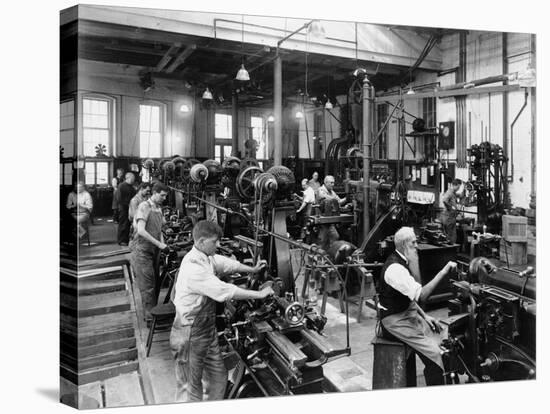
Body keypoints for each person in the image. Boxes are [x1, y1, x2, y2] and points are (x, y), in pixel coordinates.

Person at [170, 221, 274, 402]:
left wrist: (252, 269)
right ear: (202, 241)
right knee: (190, 388)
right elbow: (224, 291)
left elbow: (224, 264)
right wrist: (259, 294)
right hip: (189, 334)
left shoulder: (205, 256)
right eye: (214, 242)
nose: (218, 245)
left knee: (218, 377)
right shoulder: (193, 267)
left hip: (206, 332)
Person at [378, 226, 457, 386]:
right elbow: (421, 296)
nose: (416, 246)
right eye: (414, 243)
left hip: (407, 314)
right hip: (394, 322)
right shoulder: (395, 269)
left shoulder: (403, 261)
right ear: (404, 245)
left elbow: (410, 298)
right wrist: (443, 271)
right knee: (436, 355)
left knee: (442, 338)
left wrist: (425, 316)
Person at [130, 182, 169, 321]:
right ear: (155, 192)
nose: (164, 198)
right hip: (142, 250)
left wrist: (164, 245)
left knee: (154, 282)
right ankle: (149, 317)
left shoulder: (158, 208)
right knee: (148, 285)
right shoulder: (144, 206)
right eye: (162, 195)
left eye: (165, 196)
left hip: (154, 250)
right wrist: (160, 245)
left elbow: (159, 231)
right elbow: (140, 230)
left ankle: (153, 312)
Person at [316, 175, 347, 249]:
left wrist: (347, 198)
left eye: (333, 183)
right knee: (323, 240)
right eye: (331, 183)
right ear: (326, 183)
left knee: (334, 237)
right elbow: (329, 199)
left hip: (329, 221)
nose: (333, 184)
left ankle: (330, 254)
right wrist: (336, 201)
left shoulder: (332, 191)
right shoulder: (320, 190)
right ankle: (320, 256)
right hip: (321, 222)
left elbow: (339, 201)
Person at [440, 178, 462, 244]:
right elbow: (444, 200)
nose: (459, 188)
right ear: (456, 185)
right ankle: (449, 251)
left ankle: (451, 249)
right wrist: (451, 208)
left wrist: (465, 191)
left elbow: (459, 196)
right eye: (458, 187)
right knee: (450, 236)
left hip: (451, 217)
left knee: (452, 235)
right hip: (448, 217)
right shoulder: (449, 192)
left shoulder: (453, 193)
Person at [117, 172, 136, 246]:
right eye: (133, 179)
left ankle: (126, 240)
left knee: (127, 224)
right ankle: (121, 240)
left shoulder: (131, 187)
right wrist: (127, 204)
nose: (133, 180)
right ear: (128, 178)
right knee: (123, 224)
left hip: (129, 207)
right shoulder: (121, 186)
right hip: (123, 208)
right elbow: (119, 199)